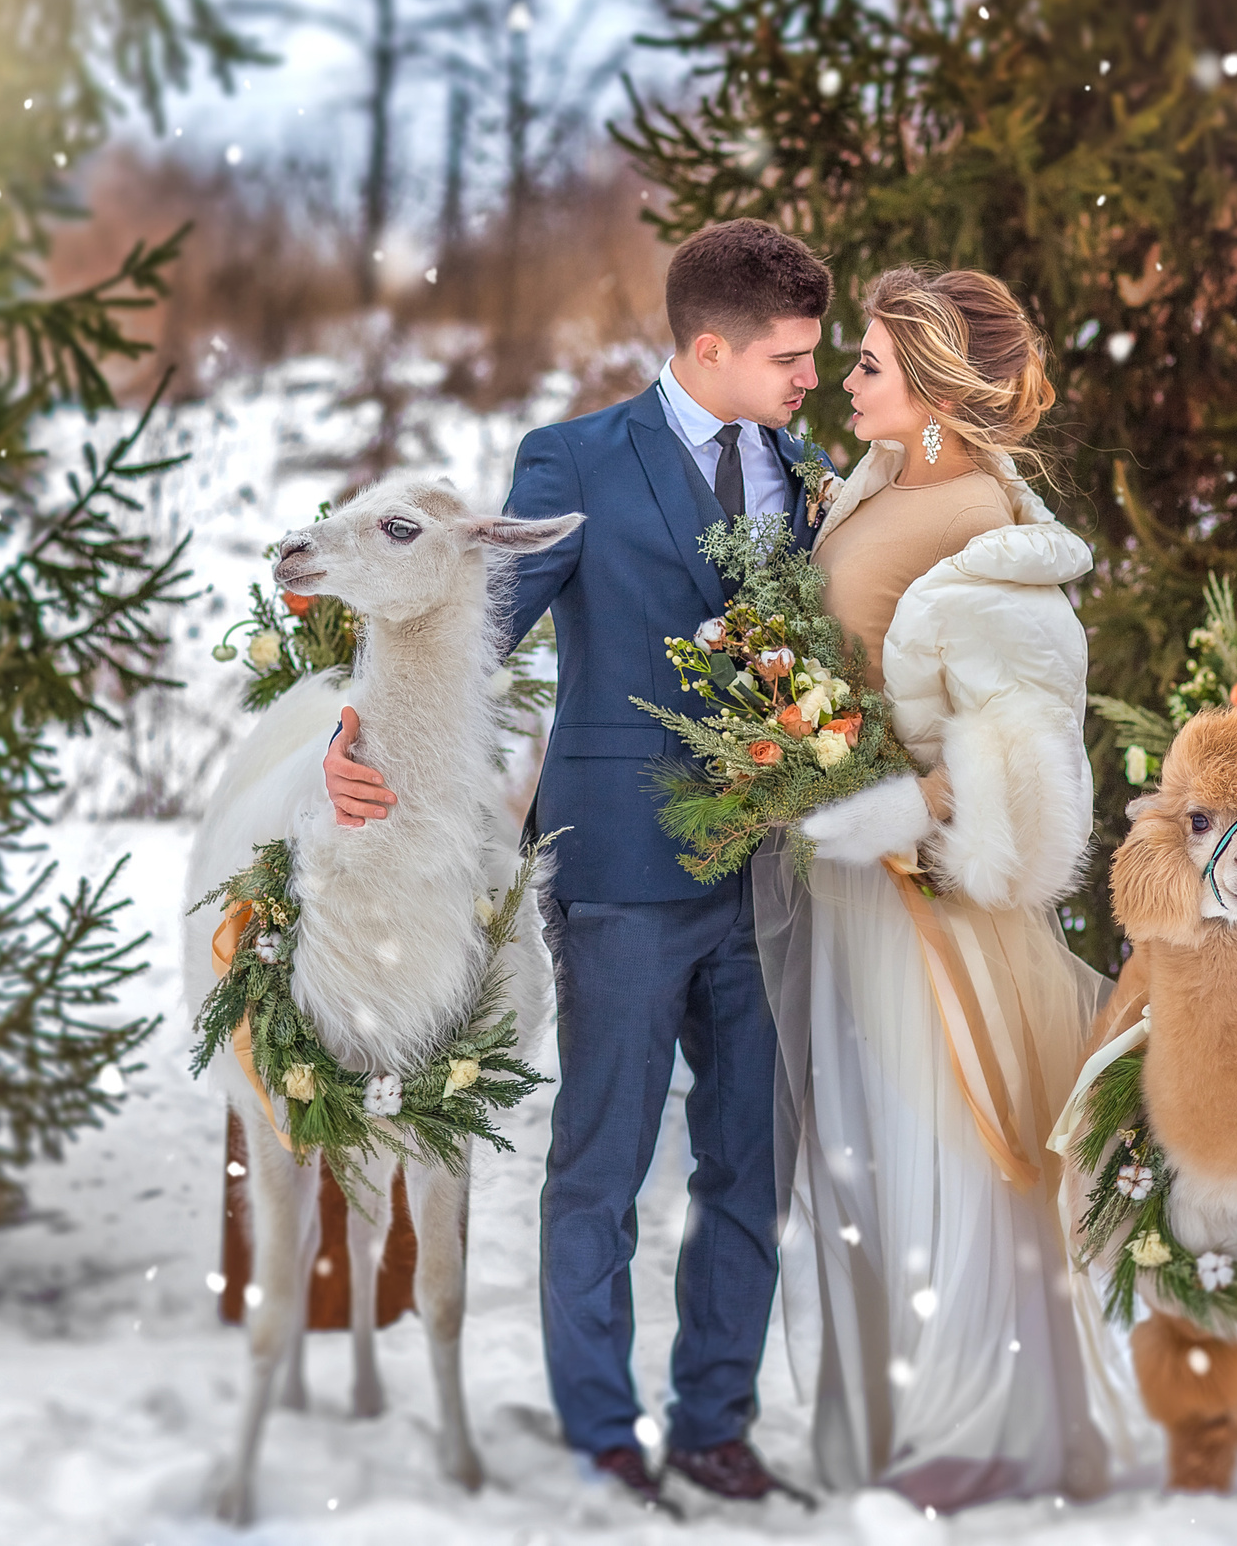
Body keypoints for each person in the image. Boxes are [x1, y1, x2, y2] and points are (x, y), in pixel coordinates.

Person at [321, 218, 832, 1514]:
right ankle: (605, 1431)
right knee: (599, 1165)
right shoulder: (574, 460)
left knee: (744, 1170)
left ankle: (717, 1420)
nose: (810, 380)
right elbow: (474, 628)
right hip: (622, 872)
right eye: (790, 356)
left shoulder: (811, 473)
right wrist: (357, 726)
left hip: (774, 880)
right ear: (708, 347)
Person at [759, 266, 1112, 1509]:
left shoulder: (984, 528)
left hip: (930, 901)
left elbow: (1025, 754)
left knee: (939, 1148)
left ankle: (979, 1427)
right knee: (860, 1158)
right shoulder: (883, 482)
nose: (845, 382)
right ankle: (896, 1420)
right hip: (851, 880)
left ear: (933, 394)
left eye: (867, 364)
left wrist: (892, 814)